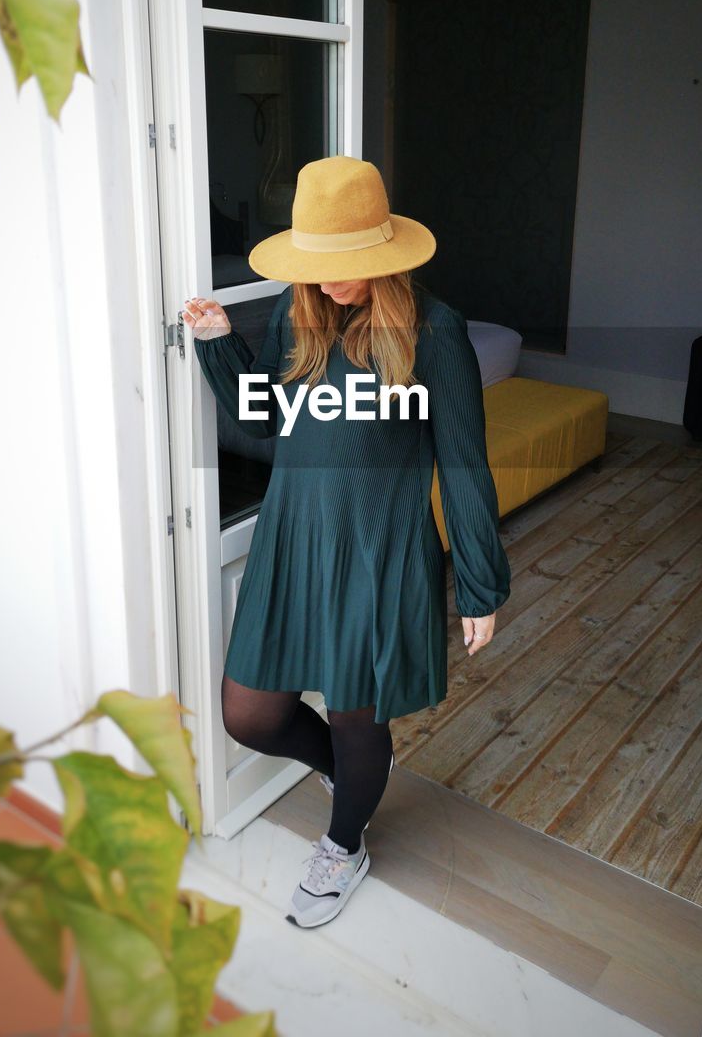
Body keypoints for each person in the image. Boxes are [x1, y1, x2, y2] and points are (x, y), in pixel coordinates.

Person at [183, 155, 511, 929]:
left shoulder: (436, 331)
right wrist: (219, 343)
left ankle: (345, 838)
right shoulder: (300, 315)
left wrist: (480, 582)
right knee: (251, 715)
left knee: (356, 716)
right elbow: (262, 415)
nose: (329, 281)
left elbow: (464, 461)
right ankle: (354, 776)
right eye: (318, 265)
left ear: (385, 254)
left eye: (346, 267)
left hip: (380, 549)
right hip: (294, 541)